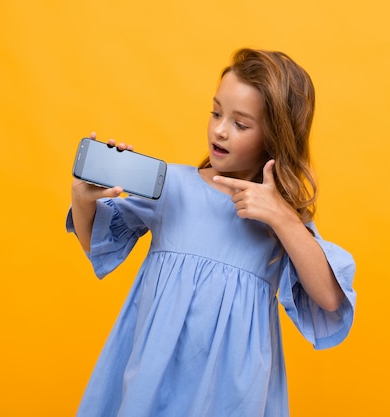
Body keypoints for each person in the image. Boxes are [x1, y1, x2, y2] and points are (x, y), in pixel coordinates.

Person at [66, 48, 356, 417]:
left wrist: (283, 218)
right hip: (152, 382)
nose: (220, 130)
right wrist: (83, 198)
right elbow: (97, 244)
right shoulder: (173, 186)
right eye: (217, 112)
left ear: (275, 137)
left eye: (241, 123)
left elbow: (330, 298)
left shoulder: (278, 221)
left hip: (231, 395)